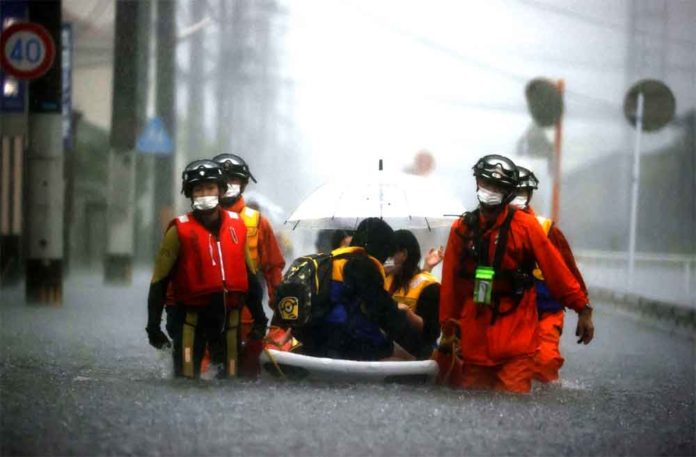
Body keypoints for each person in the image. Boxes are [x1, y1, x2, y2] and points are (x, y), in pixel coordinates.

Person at [438, 154, 594, 393]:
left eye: (497, 186)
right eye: (486, 183)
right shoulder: (462, 229)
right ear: (477, 183)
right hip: (475, 330)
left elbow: (557, 271)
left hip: (516, 327)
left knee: (514, 400)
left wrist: (582, 308)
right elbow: (451, 283)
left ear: (508, 192)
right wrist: (448, 327)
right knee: (471, 398)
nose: (489, 190)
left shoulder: (527, 227)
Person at [145, 159, 267, 379]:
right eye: (198, 189)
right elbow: (159, 281)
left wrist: (260, 318)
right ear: (190, 194)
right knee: (186, 378)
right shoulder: (178, 230)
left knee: (231, 379)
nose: (204, 194)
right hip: (191, 320)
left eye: (210, 188)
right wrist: (153, 326)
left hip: (229, 319)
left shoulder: (238, 225)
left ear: (220, 190)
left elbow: (249, 276)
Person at [293, 218, 425, 361]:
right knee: (403, 356)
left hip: (313, 339)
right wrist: (419, 348)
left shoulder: (332, 260)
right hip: (346, 344)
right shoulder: (364, 266)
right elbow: (385, 313)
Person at [511, 165, 590, 383]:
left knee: (544, 363)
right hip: (508, 314)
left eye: (522, 192)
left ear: (529, 195)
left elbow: (568, 271)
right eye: (511, 191)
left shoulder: (546, 229)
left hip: (546, 311)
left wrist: (583, 309)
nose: (516, 197)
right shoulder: (488, 227)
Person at [212, 154, 286, 341]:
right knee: (199, 367)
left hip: (246, 317)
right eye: (223, 179)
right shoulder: (195, 223)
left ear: (243, 184)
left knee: (248, 367)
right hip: (206, 314)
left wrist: (279, 318)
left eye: (233, 179)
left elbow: (273, 270)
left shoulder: (258, 222)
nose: (228, 184)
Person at [384, 230, 443, 359]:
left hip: (416, 357)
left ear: (404, 254)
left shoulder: (429, 286)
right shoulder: (385, 279)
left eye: (390, 254)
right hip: (389, 353)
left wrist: (407, 313)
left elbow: (432, 333)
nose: (385, 259)